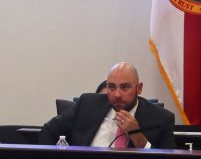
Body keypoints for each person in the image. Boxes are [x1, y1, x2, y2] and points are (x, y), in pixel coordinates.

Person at [39, 62, 175, 148]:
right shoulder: (87, 105)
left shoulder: (161, 119)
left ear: (139, 88)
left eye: (125, 87)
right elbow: (48, 131)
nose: (117, 94)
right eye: (111, 87)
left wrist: (140, 140)